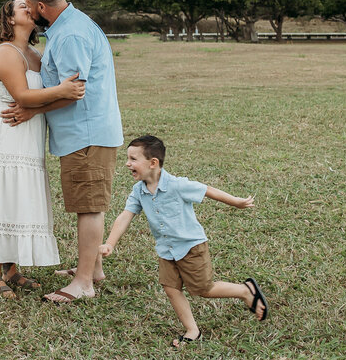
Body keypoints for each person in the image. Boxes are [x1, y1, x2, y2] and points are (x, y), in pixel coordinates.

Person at [3, 0, 123, 305]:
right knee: (85, 202)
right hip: (81, 133)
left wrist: (31, 110)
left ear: (40, 7)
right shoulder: (69, 25)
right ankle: (92, 268)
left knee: (88, 207)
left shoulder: (70, 34)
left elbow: (74, 92)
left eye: (28, 6)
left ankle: (84, 283)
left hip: (87, 133)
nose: (28, 11)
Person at [0, 0, 86, 298]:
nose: (29, 8)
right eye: (21, 6)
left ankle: (11, 267)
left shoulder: (33, 53)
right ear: (9, 19)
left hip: (28, 131)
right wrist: (63, 90)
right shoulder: (6, 53)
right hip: (5, 131)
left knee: (19, 194)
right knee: (2, 192)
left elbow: (34, 101)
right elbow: (23, 95)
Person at [99, 135, 268, 347]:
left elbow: (207, 190)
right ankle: (192, 330)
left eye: (133, 159)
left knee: (203, 289)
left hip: (190, 247)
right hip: (166, 250)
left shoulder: (177, 185)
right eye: (127, 158)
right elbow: (125, 216)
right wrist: (110, 243)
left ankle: (245, 290)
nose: (127, 163)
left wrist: (236, 202)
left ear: (153, 163)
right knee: (171, 288)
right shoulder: (138, 191)